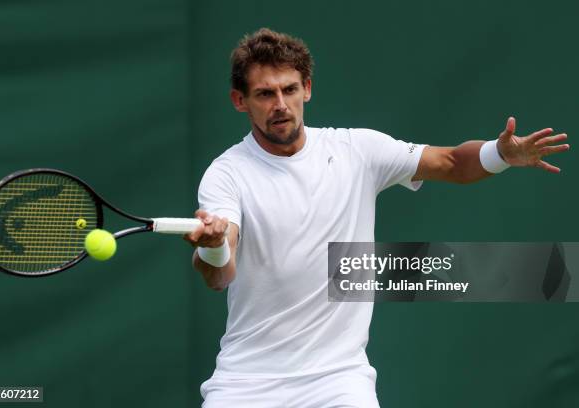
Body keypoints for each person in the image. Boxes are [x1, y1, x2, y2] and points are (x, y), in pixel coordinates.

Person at [183, 28, 569, 408]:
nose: (280, 104)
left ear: (308, 89)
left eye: (290, 89)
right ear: (240, 100)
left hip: (337, 380)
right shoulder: (227, 174)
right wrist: (215, 246)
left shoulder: (356, 150)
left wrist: (499, 155)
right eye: (265, 94)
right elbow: (218, 275)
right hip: (247, 382)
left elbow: (451, 162)